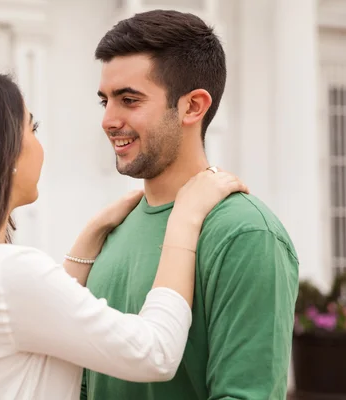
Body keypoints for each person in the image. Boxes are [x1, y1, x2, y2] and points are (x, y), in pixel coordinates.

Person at [0, 69, 247, 400]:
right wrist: (185, 219)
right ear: (2, 152)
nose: (39, 145)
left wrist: (88, 239)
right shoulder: (9, 273)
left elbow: (32, 325)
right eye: (31, 129)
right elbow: (155, 353)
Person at [80, 9, 300, 400]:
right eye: (105, 102)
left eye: (129, 100)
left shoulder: (246, 234)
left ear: (193, 106)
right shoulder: (111, 232)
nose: (109, 120)